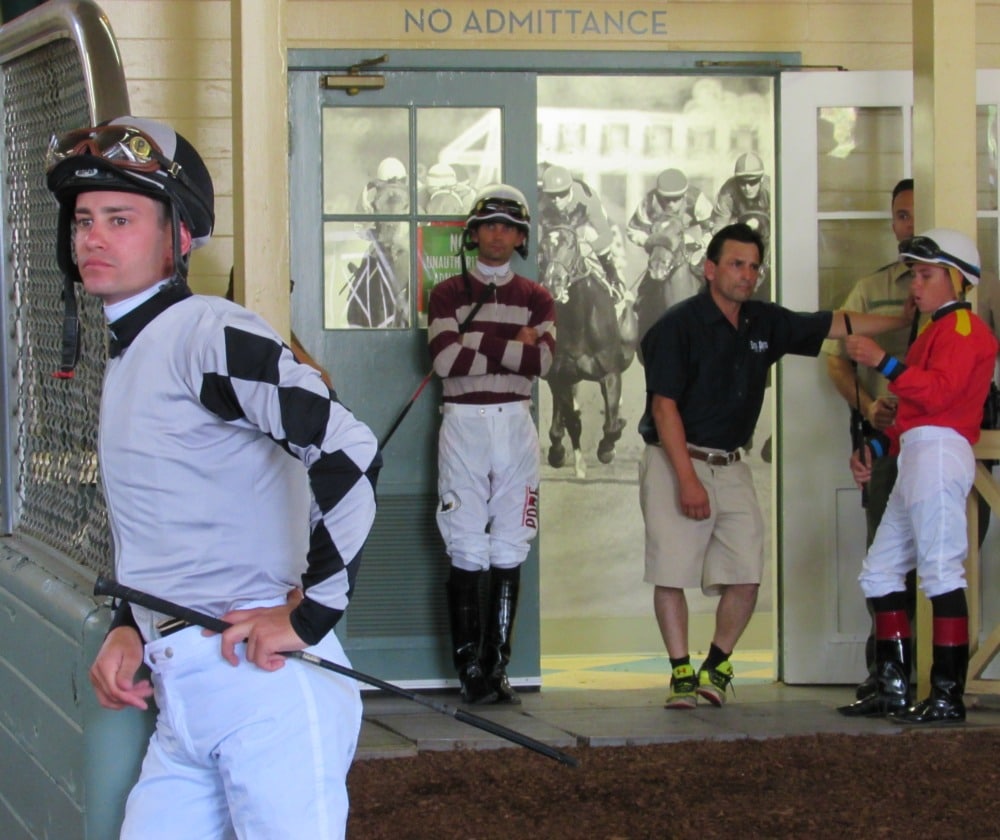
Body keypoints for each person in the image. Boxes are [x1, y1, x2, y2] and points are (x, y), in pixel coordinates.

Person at [47, 117, 381, 838]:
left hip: (266, 689)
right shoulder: (134, 351)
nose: (93, 238)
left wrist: (311, 614)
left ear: (180, 236)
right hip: (185, 696)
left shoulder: (205, 332)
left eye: (121, 218)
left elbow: (348, 450)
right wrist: (129, 625)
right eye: (83, 220)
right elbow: (175, 521)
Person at [638, 222, 910, 710]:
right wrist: (687, 481)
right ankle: (680, 672)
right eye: (736, 264)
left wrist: (900, 320)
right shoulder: (677, 327)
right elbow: (664, 409)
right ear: (710, 269)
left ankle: (716, 666)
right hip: (676, 458)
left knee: (746, 572)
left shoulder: (764, 322)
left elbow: (836, 324)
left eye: (753, 267)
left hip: (732, 462)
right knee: (672, 571)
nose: (746, 275)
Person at [837, 229, 998, 723]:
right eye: (915, 275)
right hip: (919, 453)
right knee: (882, 571)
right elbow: (912, 412)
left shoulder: (966, 331)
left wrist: (881, 360)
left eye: (926, 275)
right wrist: (877, 446)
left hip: (941, 452)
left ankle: (947, 693)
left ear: (956, 279)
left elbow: (940, 394)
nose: (915, 285)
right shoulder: (936, 331)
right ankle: (894, 686)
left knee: (941, 571)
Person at [427, 184, 556, 705]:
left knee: (510, 542)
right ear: (474, 232)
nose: (498, 234)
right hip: (464, 421)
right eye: (489, 225)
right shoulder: (447, 293)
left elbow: (542, 364)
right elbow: (444, 363)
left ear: (520, 236)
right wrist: (511, 346)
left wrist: (473, 340)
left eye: (508, 226)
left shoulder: (537, 296)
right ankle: (469, 673)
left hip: (516, 422)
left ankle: (498, 668)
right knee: (465, 542)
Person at [822, 178, 915, 700]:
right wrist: (867, 408)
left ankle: (941, 672)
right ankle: (887, 672)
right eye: (901, 216)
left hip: (952, 444)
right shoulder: (871, 287)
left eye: (917, 215)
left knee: (946, 561)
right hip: (888, 446)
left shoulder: (980, 289)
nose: (909, 226)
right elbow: (834, 359)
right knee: (886, 561)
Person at [538, 164, 626, 298]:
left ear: (570, 189)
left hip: (582, 226)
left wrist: (586, 249)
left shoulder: (588, 199)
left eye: (561, 194)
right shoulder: (541, 202)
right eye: (551, 195)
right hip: (556, 227)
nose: (556, 200)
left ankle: (613, 279)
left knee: (590, 234)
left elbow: (606, 236)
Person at [627, 167, 713, 254]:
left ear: (684, 195)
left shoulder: (696, 199)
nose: (671, 204)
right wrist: (649, 241)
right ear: (659, 195)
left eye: (676, 198)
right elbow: (633, 230)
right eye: (666, 199)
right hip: (661, 242)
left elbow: (715, 229)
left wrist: (702, 245)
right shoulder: (649, 201)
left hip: (692, 238)